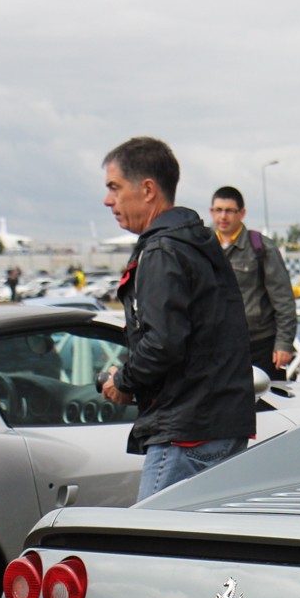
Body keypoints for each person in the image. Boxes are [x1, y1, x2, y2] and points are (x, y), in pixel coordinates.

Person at [98, 137, 256, 501]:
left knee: (153, 551)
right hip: (220, 423)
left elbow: (162, 342)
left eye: (114, 188)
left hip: (185, 430)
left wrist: (123, 380)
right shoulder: (196, 240)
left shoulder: (162, 249)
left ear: (148, 189)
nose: (109, 200)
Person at [210, 185, 297, 379]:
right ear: (211, 212)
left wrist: (283, 344)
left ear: (242, 213)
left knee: (268, 406)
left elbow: (284, 300)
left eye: (229, 211)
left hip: (260, 345)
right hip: (219, 346)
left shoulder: (261, 247)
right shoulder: (204, 247)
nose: (223, 216)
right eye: (218, 210)